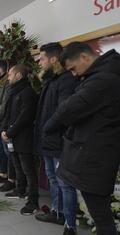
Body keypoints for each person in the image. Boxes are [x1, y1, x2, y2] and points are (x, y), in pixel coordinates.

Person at [44, 42, 120, 235]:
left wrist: (48, 127)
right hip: (96, 151)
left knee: (101, 216)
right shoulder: (102, 75)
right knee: (100, 213)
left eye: (73, 69)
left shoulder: (102, 80)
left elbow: (67, 110)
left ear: (84, 57)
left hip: (95, 154)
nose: (74, 74)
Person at [33, 42, 79, 233]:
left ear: (53, 59)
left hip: (59, 140)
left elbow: (64, 111)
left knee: (64, 184)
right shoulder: (51, 80)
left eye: (42, 58)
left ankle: (70, 224)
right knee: (52, 179)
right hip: (48, 139)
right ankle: (57, 212)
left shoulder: (66, 79)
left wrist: (47, 127)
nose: (40, 62)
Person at [1, 65, 38, 215]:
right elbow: (7, 112)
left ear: (19, 76)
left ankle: (33, 201)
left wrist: (9, 132)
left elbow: (25, 117)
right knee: (17, 165)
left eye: (10, 74)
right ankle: (20, 189)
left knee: (28, 170)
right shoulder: (13, 91)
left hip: (23, 137)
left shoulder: (28, 92)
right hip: (12, 136)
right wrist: (4, 129)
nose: (8, 77)